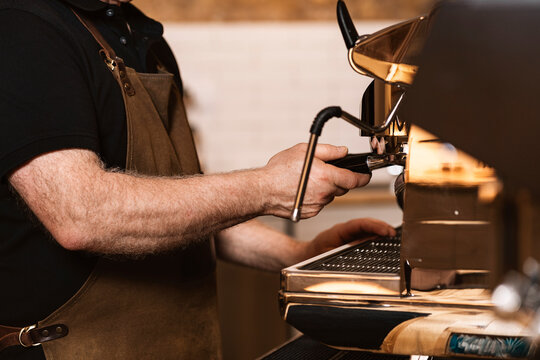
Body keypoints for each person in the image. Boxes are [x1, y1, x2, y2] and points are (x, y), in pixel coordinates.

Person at [0, 0, 396, 359]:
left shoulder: (143, 39)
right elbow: (82, 214)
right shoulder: (24, 27)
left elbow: (184, 209)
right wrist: (266, 187)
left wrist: (298, 254)